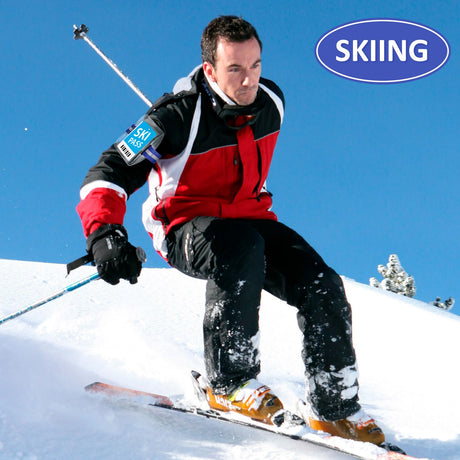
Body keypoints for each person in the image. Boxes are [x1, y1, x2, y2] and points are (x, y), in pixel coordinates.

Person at [76, 15, 385, 445]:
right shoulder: (174, 117)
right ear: (210, 69)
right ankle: (228, 383)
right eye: (235, 68)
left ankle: (335, 408)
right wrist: (104, 233)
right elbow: (107, 171)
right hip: (184, 225)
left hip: (250, 219)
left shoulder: (271, 102)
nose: (248, 80)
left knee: (321, 283)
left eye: (255, 65)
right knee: (240, 248)